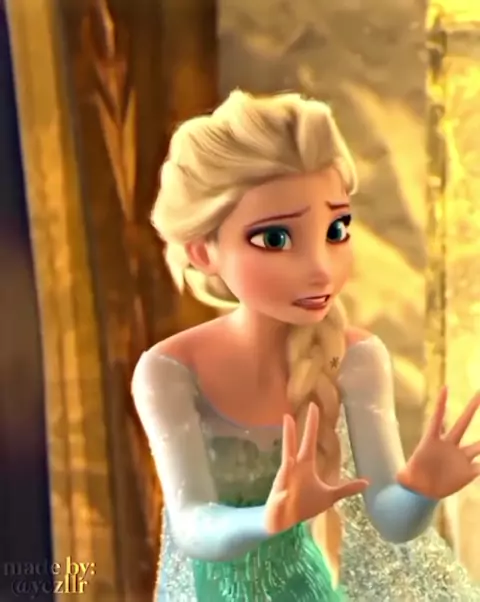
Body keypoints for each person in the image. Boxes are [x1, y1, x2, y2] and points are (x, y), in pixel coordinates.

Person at [131, 91, 480, 601]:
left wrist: (420, 490)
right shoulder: (169, 371)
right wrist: (268, 518)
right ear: (203, 251)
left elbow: (389, 517)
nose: (320, 268)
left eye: (336, 230)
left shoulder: (356, 360)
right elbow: (191, 523)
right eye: (275, 239)